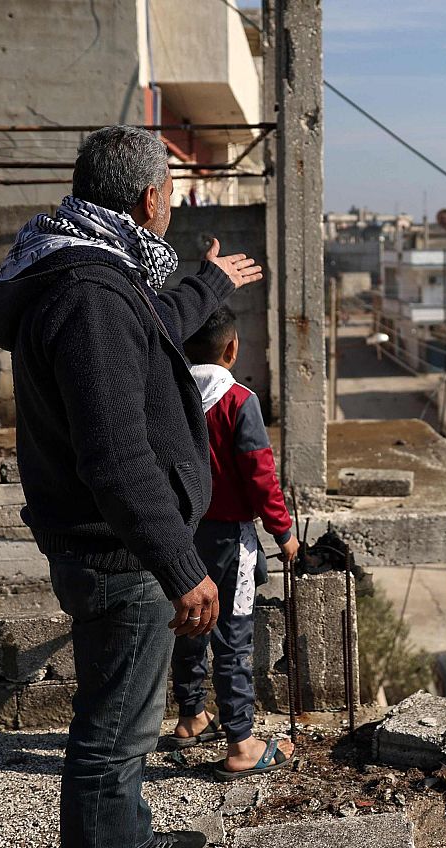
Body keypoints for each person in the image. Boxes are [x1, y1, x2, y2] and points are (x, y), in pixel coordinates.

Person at [0, 125, 263, 848]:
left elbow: (154, 336)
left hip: (111, 543)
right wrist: (180, 564)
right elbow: (114, 453)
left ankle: (127, 836)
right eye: (169, 193)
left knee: (131, 716)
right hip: (120, 551)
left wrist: (207, 284)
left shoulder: (89, 270)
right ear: (149, 199)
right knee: (114, 732)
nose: (169, 205)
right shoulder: (91, 292)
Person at [168, 306, 300, 779]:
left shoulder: (167, 396)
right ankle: (242, 742)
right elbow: (260, 473)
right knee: (232, 638)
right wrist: (282, 531)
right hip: (230, 537)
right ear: (232, 348)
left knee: (190, 623)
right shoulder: (240, 401)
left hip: (179, 536)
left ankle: (191, 716)